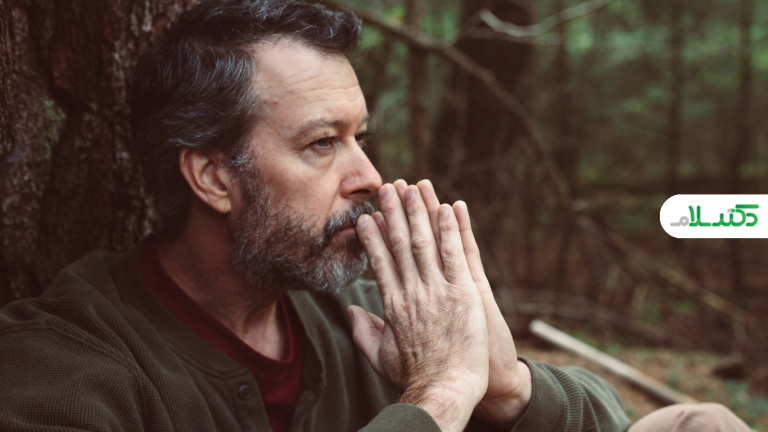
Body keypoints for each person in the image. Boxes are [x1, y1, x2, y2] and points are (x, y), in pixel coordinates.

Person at [0, 1, 752, 431]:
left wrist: (507, 389)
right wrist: (436, 400)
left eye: (362, 137)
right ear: (212, 177)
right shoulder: (64, 366)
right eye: (322, 144)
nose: (368, 178)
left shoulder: (363, 311)